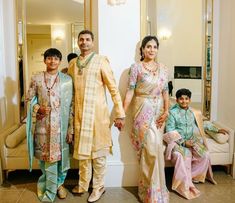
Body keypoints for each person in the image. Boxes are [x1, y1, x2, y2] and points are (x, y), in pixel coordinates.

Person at [67, 30, 125, 202]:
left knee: (98, 153)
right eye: (81, 39)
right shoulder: (73, 63)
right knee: (83, 153)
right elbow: (68, 90)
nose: (84, 42)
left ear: (92, 42)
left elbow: (113, 89)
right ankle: (84, 184)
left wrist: (120, 113)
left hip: (97, 116)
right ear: (77, 42)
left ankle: (98, 187)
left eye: (87, 39)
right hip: (78, 114)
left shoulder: (101, 61)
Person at [123, 35, 169, 203]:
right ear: (142, 49)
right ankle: (147, 192)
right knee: (148, 151)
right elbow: (130, 91)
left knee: (157, 149)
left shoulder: (163, 68)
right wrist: (122, 112)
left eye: (154, 47)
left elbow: (165, 92)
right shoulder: (136, 68)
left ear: (157, 49)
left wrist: (166, 111)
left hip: (158, 114)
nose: (151, 50)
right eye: (148, 46)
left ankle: (157, 191)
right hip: (142, 110)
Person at [26, 48, 73, 202]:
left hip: (61, 125)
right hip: (42, 126)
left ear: (60, 61)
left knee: (60, 158)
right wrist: (38, 108)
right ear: (45, 60)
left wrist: (71, 128)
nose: (52, 61)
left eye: (56, 58)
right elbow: (28, 99)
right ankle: (48, 185)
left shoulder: (67, 80)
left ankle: (59, 185)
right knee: (45, 158)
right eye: (49, 58)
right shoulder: (36, 78)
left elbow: (71, 105)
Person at [164, 88, 228, 199]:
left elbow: (202, 124)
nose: (184, 101)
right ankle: (182, 183)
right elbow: (170, 131)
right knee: (181, 156)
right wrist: (184, 143)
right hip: (178, 142)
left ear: (190, 100)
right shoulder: (172, 113)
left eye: (186, 99)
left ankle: (193, 177)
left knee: (205, 154)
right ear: (177, 100)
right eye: (181, 99)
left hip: (192, 139)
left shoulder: (192, 112)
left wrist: (217, 130)